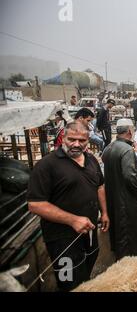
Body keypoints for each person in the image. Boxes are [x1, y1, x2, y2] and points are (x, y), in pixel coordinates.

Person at [27, 121, 109, 291]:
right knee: (69, 280)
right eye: (72, 139)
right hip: (62, 239)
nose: (76, 144)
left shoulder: (91, 159)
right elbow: (35, 205)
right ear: (63, 137)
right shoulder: (47, 165)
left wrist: (105, 213)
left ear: (88, 140)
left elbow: (100, 186)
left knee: (87, 268)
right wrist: (72, 220)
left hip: (90, 230)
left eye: (82, 140)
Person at [102, 119, 137, 259]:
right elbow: (130, 176)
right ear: (129, 131)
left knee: (119, 230)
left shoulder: (109, 147)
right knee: (129, 234)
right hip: (127, 201)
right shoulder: (127, 150)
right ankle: (130, 263)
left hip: (114, 198)